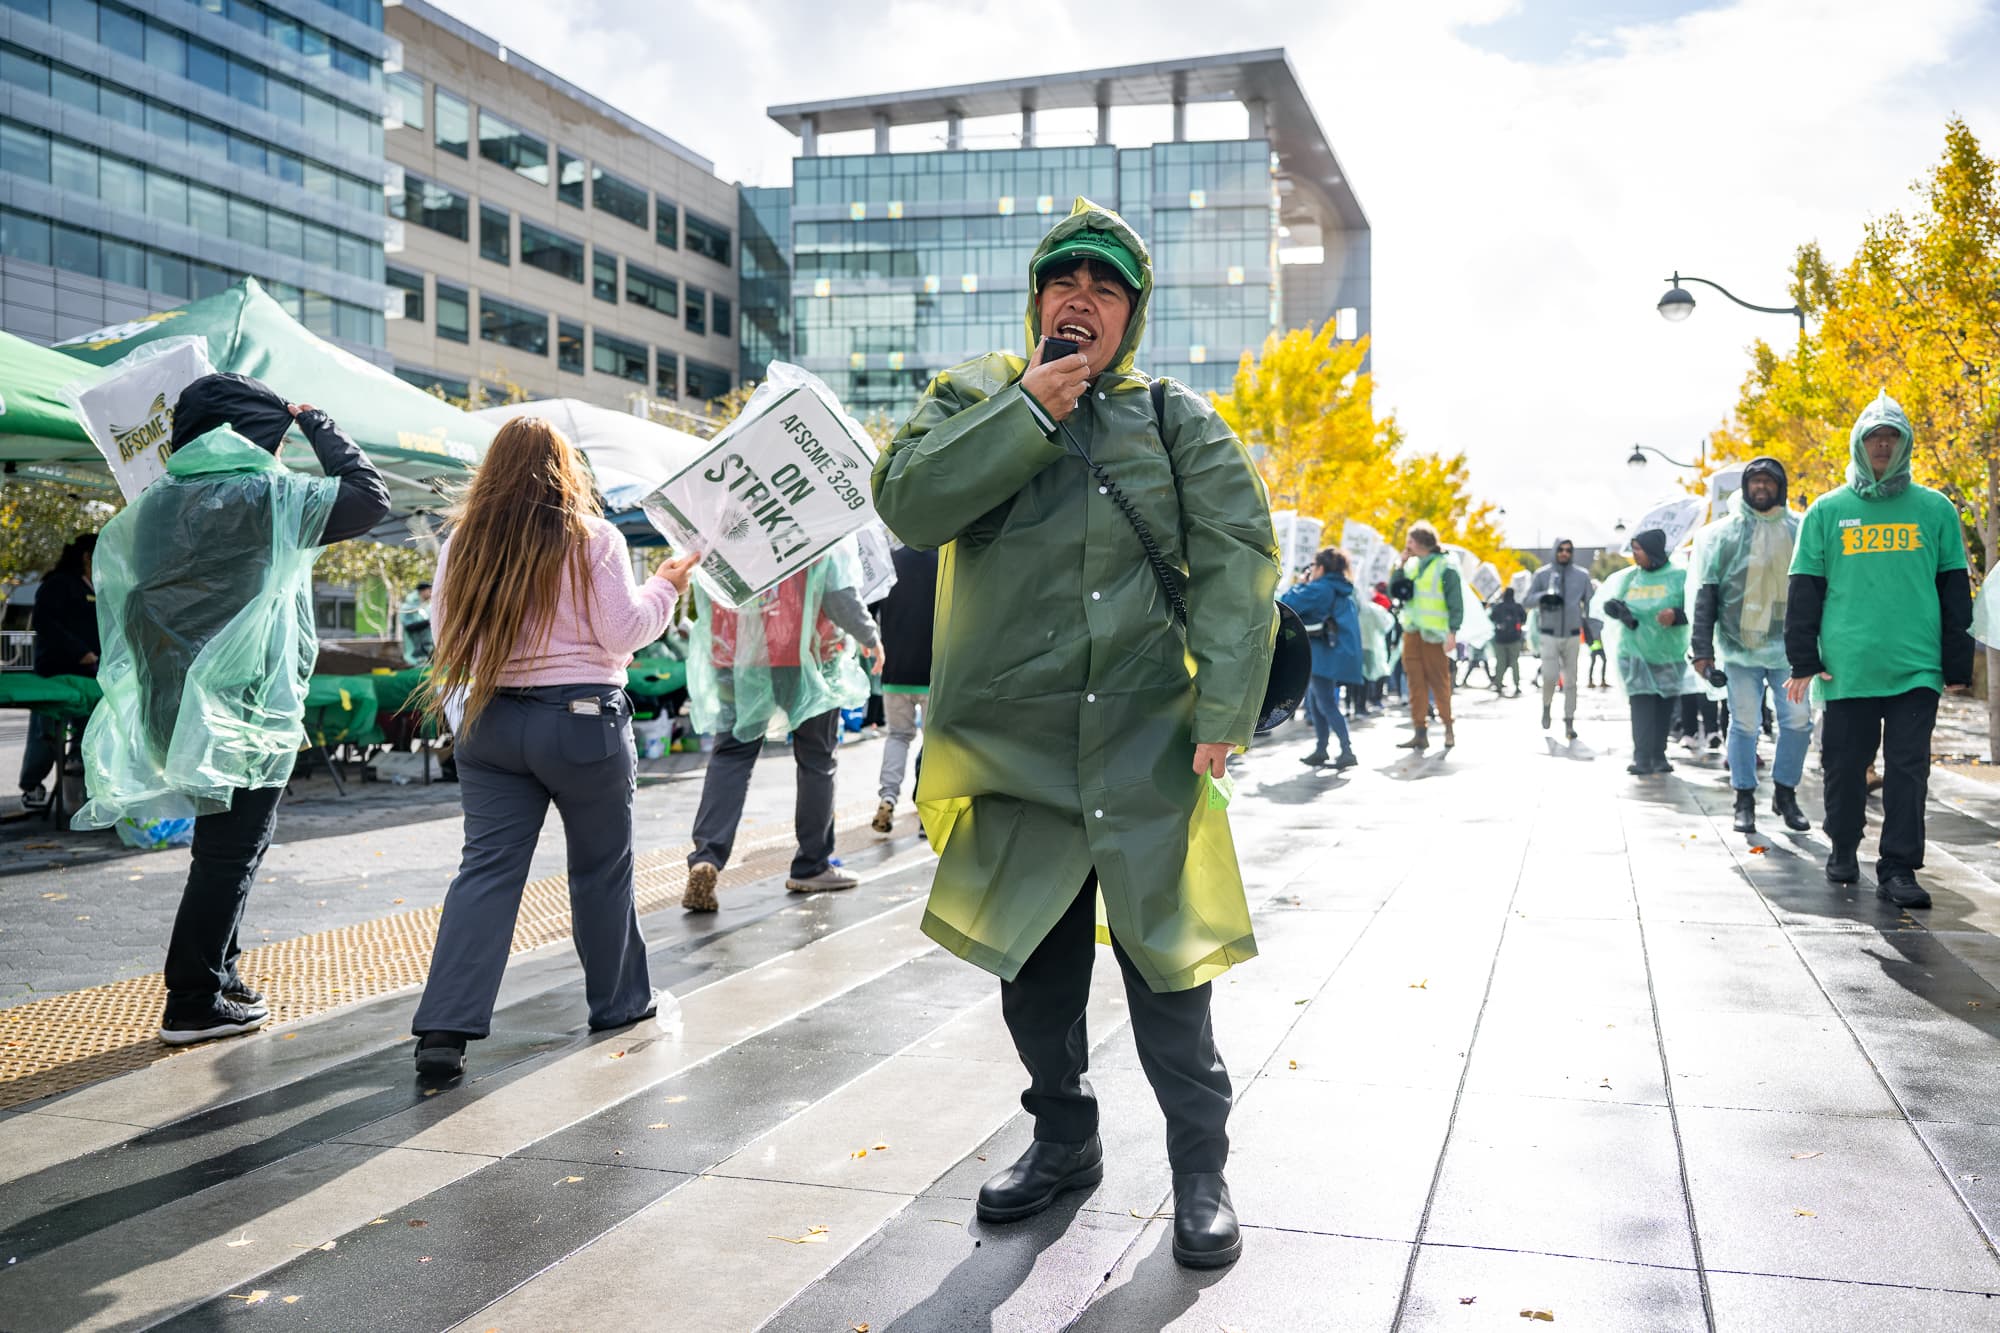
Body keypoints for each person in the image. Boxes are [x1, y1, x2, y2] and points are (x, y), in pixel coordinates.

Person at [873, 198, 1276, 1270]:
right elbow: (909, 503)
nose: (1079, 300)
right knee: (1033, 974)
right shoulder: (970, 396)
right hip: (1014, 746)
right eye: (1064, 282)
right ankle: (1063, 1137)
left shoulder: (1178, 423)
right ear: (1036, 299)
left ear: (1131, 313)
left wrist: (1223, 713)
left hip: (1147, 742)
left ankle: (1200, 1170)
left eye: (1103, 287)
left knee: (1169, 971)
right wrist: (1030, 408)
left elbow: (1238, 561)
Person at [75, 373, 389, 1045]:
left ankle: (220, 971)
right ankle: (192, 995)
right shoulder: (260, 497)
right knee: (229, 852)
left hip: (179, 708)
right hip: (242, 710)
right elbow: (368, 498)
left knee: (230, 846)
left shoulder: (157, 502)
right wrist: (316, 419)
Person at [408, 419, 698, 1077]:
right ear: (565, 470)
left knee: (485, 870)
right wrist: (666, 586)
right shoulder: (593, 537)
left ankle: (442, 1030)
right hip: (582, 724)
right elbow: (621, 631)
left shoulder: (463, 542)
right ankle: (619, 1002)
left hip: (488, 721)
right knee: (602, 868)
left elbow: (444, 634)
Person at [1786, 393, 1972, 909]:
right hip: (1847, 667)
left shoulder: (1935, 509)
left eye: (1892, 437)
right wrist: (1805, 658)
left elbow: (1955, 589)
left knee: (1909, 769)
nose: (1883, 445)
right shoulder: (1826, 511)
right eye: (1874, 437)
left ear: (1906, 444)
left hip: (1917, 665)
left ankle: (1898, 867)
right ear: (1859, 445)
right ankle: (1843, 845)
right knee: (1846, 766)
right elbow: (1804, 589)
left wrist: (1957, 662)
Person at [681, 545, 882, 912]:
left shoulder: (726, 520)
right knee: (817, 760)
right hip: (807, 655)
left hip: (740, 655)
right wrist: (869, 636)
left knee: (731, 756)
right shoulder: (816, 515)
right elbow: (839, 596)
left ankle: (707, 857)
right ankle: (811, 865)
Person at [1692, 458, 1812, 835]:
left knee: (1797, 722)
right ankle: (1743, 797)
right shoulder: (1722, 535)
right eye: (1755, 481)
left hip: (1790, 652)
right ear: (1745, 487)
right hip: (1738, 647)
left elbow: (1815, 589)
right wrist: (1702, 650)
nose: (1761, 487)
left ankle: (1785, 793)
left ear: (1781, 487)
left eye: (1768, 481)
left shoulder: (1801, 530)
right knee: (1744, 724)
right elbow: (1706, 593)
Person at [1597, 528, 1693, 775]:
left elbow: (1695, 608)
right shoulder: (1630, 578)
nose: (1635, 555)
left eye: (1638, 549)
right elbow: (1615, 605)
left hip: (1668, 654)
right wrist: (1618, 611)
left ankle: (1658, 755)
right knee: (1641, 706)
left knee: (1663, 707)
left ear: (1652, 551)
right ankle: (1641, 756)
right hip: (1634, 653)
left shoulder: (1679, 576)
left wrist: (1676, 615)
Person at [18, 534, 99, 810]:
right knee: (46, 733)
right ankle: (31, 785)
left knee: (90, 724)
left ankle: (77, 765)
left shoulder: (101, 587)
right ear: (87, 556)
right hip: (57, 672)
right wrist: (79, 652)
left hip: (92, 676)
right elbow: (46, 623)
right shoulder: (59, 584)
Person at [871, 541, 938, 832]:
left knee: (898, 736)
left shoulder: (888, 561)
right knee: (935, 740)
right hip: (936, 670)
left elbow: (868, 610)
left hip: (895, 669)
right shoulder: (946, 563)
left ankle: (888, 795)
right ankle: (927, 812)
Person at [1281, 548, 1362, 771]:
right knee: (1318, 702)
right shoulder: (1344, 588)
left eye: (1313, 566)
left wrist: (1301, 583)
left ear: (1322, 568)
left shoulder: (1321, 588)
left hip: (1324, 652)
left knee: (1325, 702)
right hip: (1334, 651)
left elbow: (1288, 601)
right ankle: (1321, 749)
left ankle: (1347, 750)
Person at [1392, 521, 1463, 751]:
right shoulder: (1410, 565)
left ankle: (1448, 728)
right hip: (1412, 631)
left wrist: (1453, 631)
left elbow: (1455, 602)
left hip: (1434, 634)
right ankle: (1419, 732)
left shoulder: (1446, 566)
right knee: (1415, 683)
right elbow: (1395, 590)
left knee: (1439, 683)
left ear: (1421, 542)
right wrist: (1399, 565)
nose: (1407, 544)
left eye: (1410, 540)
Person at [1523, 539, 1592, 738]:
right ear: (1555, 551)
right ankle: (1546, 706)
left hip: (1571, 634)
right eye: (1561, 549)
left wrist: (1593, 630)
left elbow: (1590, 604)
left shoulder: (1581, 576)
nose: (1564, 553)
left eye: (1568, 550)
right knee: (1550, 676)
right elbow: (1526, 600)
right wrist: (1543, 596)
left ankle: (1569, 722)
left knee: (1571, 682)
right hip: (1549, 633)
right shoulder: (1542, 574)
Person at [1488, 586, 1526, 696]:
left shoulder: (1499, 607)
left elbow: (1491, 617)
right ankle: (1517, 685)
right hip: (1515, 639)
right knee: (1514, 662)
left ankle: (1498, 684)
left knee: (1500, 662)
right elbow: (1524, 618)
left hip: (1500, 638)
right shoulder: (1517, 607)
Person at [1585, 616, 1609, 687]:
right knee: (1594, 663)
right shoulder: (1592, 624)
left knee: (1598, 662)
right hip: (1595, 646)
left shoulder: (1591, 624)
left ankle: (1600, 681)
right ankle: (1592, 681)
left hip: (1597, 646)